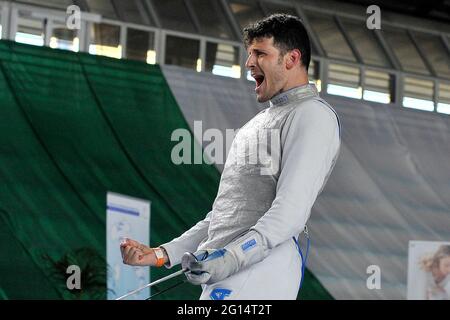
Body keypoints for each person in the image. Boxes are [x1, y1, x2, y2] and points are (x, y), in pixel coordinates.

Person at [120, 13, 341, 300]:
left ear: (291, 58)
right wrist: (162, 255)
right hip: (227, 272)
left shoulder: (313, 115)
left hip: (263, 269)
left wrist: (232, 257)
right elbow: (225, 215)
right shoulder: (256, 125)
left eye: (260, 53)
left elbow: (291, 212)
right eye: (250, 54)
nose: (249, 63)